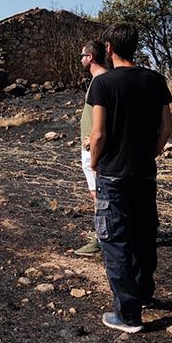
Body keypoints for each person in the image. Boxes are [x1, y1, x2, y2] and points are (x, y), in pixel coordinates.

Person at [87, 22, 172, 333]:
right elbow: (167, 127)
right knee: (144, 233)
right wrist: (153, 152)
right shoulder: (155, 80)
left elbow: (98, 133)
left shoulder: (103, 84)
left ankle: (128, 315)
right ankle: (143, 294)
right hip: (144, 172)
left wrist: (95, 163)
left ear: (108, 48)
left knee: (116, 241)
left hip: (113, 174)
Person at [72, 40, 108, 257]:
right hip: (92, 145)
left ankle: (101, 238)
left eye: (82, 55)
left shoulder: (100, 82)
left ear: (90, 57)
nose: (81, 59)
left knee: (99, 195)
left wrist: (93, 149)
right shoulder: (99, 80)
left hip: (94, 147)